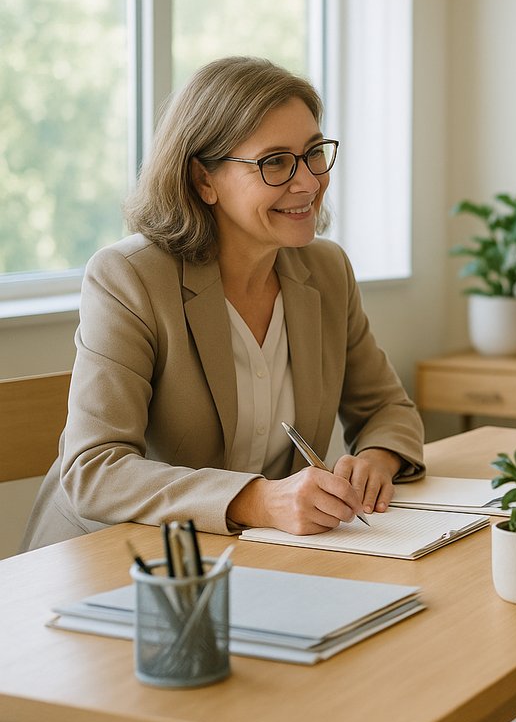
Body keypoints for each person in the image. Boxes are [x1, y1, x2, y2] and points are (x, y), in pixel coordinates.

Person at [22, 56, 425, 551]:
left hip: (252, 556)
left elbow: (385, 407)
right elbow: (95, 471)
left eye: (313, 153)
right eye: (274, 162)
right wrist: (259, 500)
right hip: (119, 559)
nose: (308, 182)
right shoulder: (128, 277)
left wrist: (377, 460)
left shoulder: (327, 270)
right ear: (203, 180)